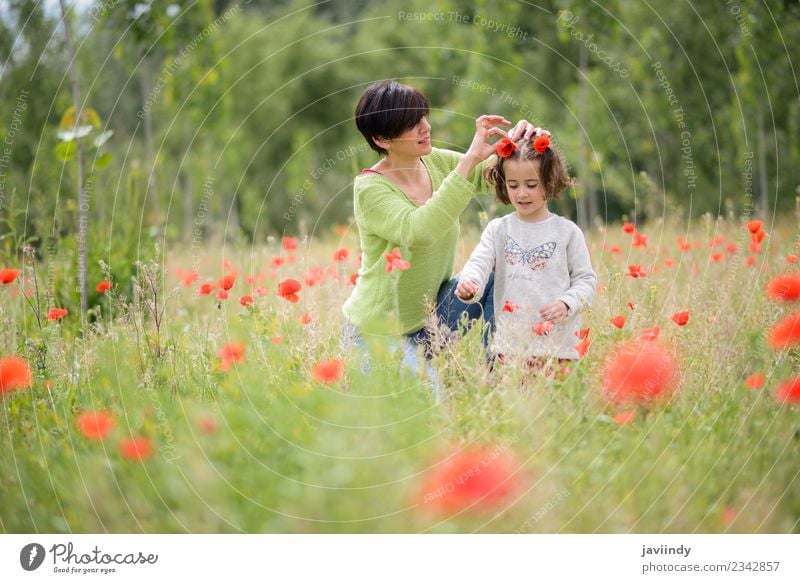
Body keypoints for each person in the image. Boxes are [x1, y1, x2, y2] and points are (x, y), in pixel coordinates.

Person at [340, 80, 539, 387]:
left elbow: (494, 177)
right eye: (411, 123)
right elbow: (420, 229)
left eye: (423, 117)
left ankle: (499, 377)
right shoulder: (370, 188)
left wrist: (521, 147)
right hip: (378, 333)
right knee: (429, 404)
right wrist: (471, 158)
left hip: (434, 319)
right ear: (382, 138)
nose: (425, 127)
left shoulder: (435, 162)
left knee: (498, 273)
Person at [454, 131, 596, 368]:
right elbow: (479, 263)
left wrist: (567, 303)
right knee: (514, 403)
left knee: (552, 403)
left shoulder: (567, 232)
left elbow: (585, 280)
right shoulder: (499, 229)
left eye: (531, 185)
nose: (521, 193)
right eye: (513, 185)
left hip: (557, 347)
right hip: (510, 346)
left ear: (549, 182)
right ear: (503, 185)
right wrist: (470, 283)